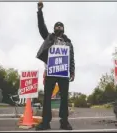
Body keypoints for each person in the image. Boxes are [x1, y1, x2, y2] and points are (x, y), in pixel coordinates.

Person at [35, 1, 75, 130]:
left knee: (64, 98)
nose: (58, 27)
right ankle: (45, 122)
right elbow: (41, 27)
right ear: (54, 29)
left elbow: (72, 58)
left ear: (63, 29)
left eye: (61, 26)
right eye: (56, 26)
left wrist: (72, 71)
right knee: (47, 97)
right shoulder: (49, 38)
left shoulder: (68, 43)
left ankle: (64, 122)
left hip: (63, 72)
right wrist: (40, 11)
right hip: (51, 71)